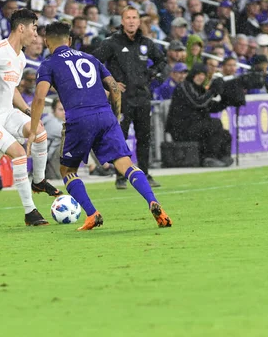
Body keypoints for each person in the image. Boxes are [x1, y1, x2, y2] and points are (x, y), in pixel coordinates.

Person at [28, 21, 172, 231]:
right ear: (69, 40)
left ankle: (92, 214)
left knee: (68, 170)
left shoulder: (48, 64)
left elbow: (40, 97)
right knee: (126, 164)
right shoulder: (90, 58)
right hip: (105, 115)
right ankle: (153, 202)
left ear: (46, 42)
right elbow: (114, 87)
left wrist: (33, 130)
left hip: (78, 118)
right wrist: (115, 114)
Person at [0, 9, 62, 227]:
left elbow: (12, 88)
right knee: (18, 153)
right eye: (34, 29)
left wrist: (27, 111)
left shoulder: (20, 58)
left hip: (6, 112)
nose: (36, 35)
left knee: (39, 131)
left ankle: (38, 180)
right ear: (21, 28)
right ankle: (30, 212)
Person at [93, 6, 166, 189]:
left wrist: (151, 74)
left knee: (144, 137)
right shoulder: (112, 43)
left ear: (139, 21)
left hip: (142, 96)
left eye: (135, 17)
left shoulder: (146, 43)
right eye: (128, 17)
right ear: (122, 21)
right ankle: (120, 177)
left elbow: (162, 61)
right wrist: (109, 83)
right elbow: (93, 62)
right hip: (121, 99)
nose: (132, 21)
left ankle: (145, 174)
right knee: (120, 137)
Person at [166, 64, 233, 168]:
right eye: (198, 74)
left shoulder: (200, 89)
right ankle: (208, 158)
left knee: (224, 134)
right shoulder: (184, 86)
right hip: (181, 128)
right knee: (215, 124)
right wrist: (212, 91)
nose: (201, 77)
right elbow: (197, 102)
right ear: (193, 75)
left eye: (203, 75)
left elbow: (210, 106)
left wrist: (227, 99)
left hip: (195, 126)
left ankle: (223, 156)